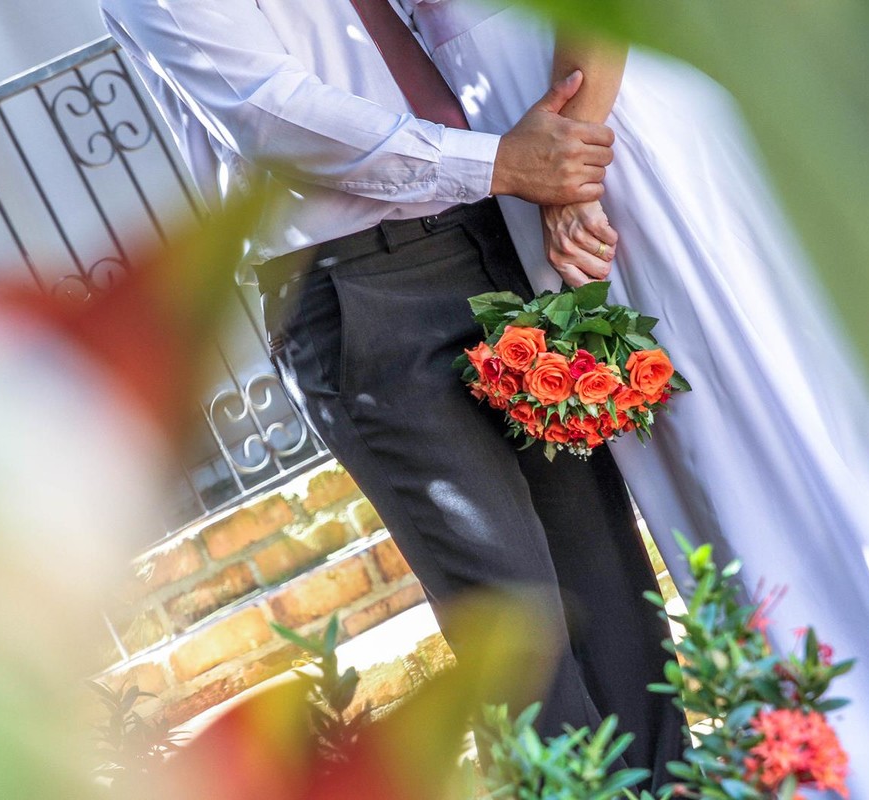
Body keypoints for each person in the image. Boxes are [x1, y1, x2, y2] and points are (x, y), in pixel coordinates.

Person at [98, 0, 685, 784]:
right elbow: (273, 115)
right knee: (514, 639)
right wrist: (503, 165)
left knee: (611, 589)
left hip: (487, 233)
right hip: (357, 287)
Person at [404, 1, 869, 795]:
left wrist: (576, 170)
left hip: (602, 122)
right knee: (698, 465)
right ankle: (827, 752)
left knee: (771, 417)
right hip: (537, 148)